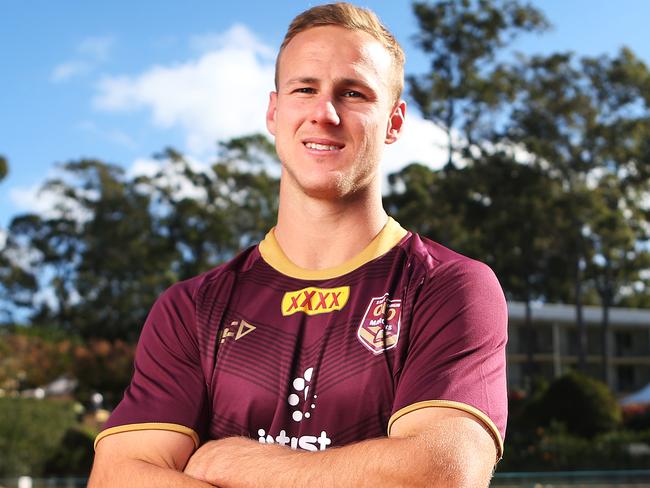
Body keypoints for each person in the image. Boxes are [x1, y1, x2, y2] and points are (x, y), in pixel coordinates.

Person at [88, 3, 508, 487]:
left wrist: (224, 464)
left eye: (353, 94)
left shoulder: (447, 286)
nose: (323, 113)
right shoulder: (192, 308)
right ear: (274, 110)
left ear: (393, 122)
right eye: (304, 89)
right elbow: (117, 476)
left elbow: (441, 475)